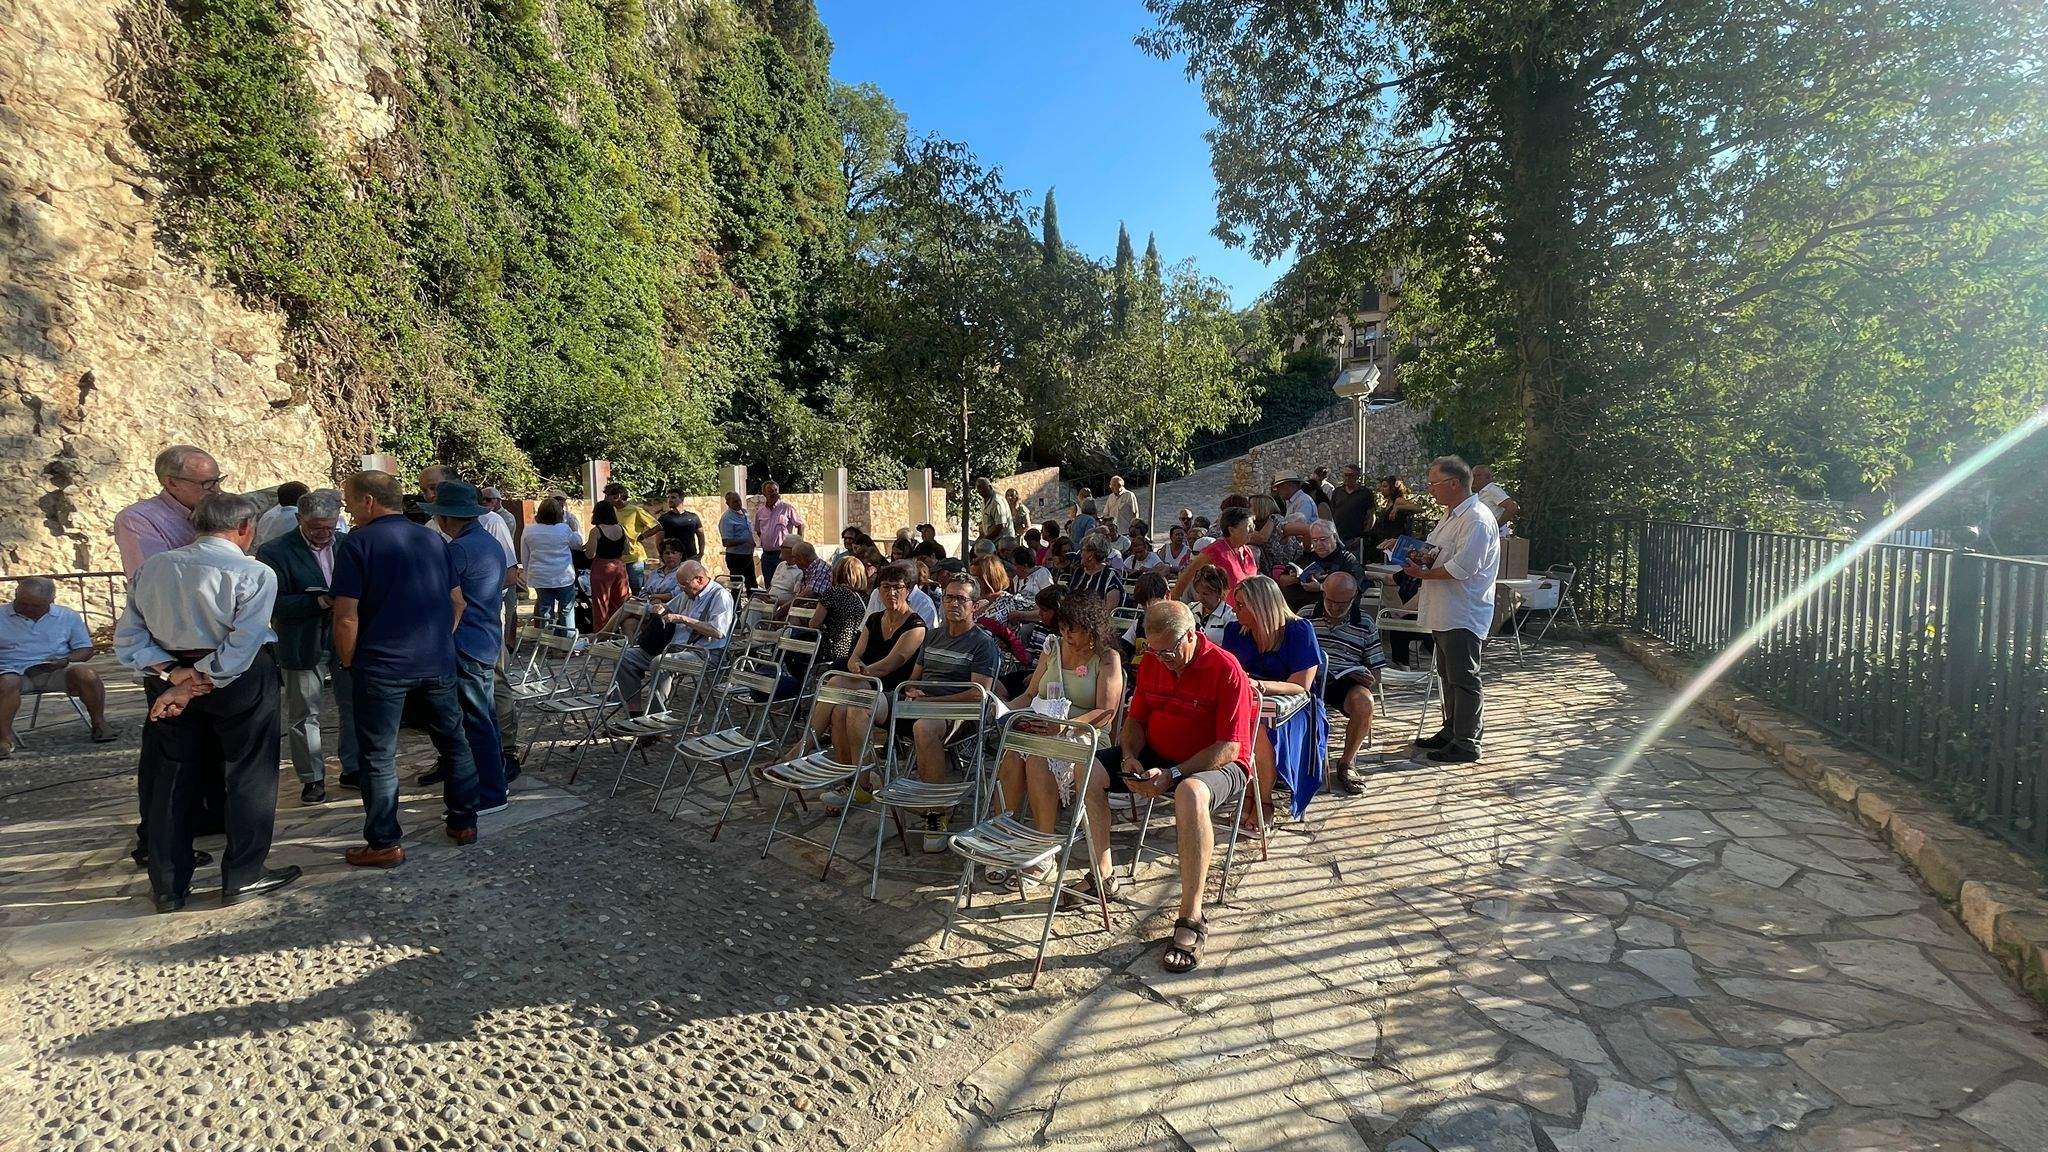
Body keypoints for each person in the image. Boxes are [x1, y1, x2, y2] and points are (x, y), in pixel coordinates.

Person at [114, 492, 299, 912]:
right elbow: (244, 640)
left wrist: (174, 677)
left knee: (170, 778)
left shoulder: (153, 569)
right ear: (245, 527)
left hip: (170, 674)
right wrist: (198, 678)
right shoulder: (253, 572)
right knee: (248, 771)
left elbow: (129, 639)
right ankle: (244, 875)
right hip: (234, 679)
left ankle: (167, 884)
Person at [1079, 601, 1255, 973]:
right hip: (1160, 755)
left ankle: (1191, 917)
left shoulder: (1226, 669)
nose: (1162, 659)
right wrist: (1129, 755)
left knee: (1190, 793)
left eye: (1170, 651)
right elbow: (1136, 720)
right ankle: (1103, 874)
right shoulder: (1155, 663)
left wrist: (1174, 775)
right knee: (1088, 769)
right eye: (1154, 652)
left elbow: (1231, 747)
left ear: (1192, 634)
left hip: (1216, 762)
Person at [331, 470, 481, 867]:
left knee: (379, 754)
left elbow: (345, 616)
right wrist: (438, 640)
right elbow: (458, 602)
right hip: (436, 660)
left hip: (381, 664)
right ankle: (464, 821)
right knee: (454, 740)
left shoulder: (356, 544)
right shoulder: (433, 538)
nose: (346, 506)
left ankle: (383, 842)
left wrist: (348, 661)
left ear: (367, 501)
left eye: (349, 498)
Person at [992, 590, 1124, 870]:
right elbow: (1029, 695)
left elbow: (1105, 712)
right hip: (1042, 726)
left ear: (1091, 629)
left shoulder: (1106, 658)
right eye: (1062, 628)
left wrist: (1063, 728)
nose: (1066, 635)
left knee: (1039, 760)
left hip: (1085, 734)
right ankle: (1004, 835)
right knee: (1013, 755)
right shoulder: (1052, 647)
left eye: (1072, 630)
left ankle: (1044, 846)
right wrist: (1003, 711)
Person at [1389, 456, 1499, 764]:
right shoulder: (1452, 515)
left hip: (1464, 611)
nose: (1430, 489)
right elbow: (1436, 552)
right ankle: (1452, 730)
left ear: (1454, 484)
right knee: (1448, 676)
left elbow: (1462, 568)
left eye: (1434, 483)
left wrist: (1422, 575)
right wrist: (1405, 550)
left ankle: (1466, 742)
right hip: (1446, 611)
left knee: (1464, 677)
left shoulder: (1476, 519)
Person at [257, 489, 357, 802]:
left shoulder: (346, 544)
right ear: (299, 519)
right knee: (304, 713)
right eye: (316, 528)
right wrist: (317, 600)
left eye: (329, 526)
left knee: (353, 706)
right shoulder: (275, 551)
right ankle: (312, 777)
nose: (324, 534)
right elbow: (271, 603)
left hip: (345, 637)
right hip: (301, 641)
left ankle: (353, 768)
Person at [422, 481, 512, 814]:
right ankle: (494, 783)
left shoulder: (458, 549)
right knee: (484, 717)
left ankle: (489, 793)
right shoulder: (488, 542)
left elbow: (447, 600)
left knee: (476, 721)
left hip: (466, 642)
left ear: (445, 518)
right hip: (486, 638)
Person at [900, 573, 1005, 851]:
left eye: (961, 598)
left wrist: (930, 703)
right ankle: (858, 782)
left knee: (924, 727)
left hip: (961, 714)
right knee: (859, 703)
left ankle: (936, 814)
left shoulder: (983, 643)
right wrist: (913, 691)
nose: (953, 603)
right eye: (948, 597)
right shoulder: (932, 637)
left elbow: (977, 693)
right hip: (923, 705)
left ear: (975, 605)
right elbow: (915, 679)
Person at [1221, 576, 1329, 821]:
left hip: (1297, 708)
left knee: (1258, 723)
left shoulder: (1299, 630)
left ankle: (1262, 800)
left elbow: (1301, 686)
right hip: (1250, 701)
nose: (1235, 610)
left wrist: (1258, 684)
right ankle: (1247, 795)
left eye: (1241, 605)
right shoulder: (1235, 631)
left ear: (1261, 606)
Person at [808, 565, 926, 776]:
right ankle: (851, 777)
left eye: (897, 587)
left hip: (890, 688)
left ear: (908, 590)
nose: (891, 593)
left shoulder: (916, 625)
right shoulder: (874, 619)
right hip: (865, 681)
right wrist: (854, 665)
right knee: (839, 711)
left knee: (835, 682)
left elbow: (890, 664)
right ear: (878, 590)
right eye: (886, 587)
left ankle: (805, 745)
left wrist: (860, 673)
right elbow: (856, 654)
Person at [0, 577, 114, 756]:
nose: (28, 609)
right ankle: (4, 738)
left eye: (36, 606)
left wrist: (67, 659)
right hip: (12, 671)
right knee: (7, 682)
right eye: (22, 603)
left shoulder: (66, 616)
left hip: (55, 669)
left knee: (87, 674)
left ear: (51, 601)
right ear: (15, 595)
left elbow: (85, 649)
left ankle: (99, 723)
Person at [613, 561, 734, 711]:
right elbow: (669, 607)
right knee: (625, 656)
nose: (681, 589)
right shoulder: (687, 594)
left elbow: (718, 631)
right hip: (674, 648)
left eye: (684, 584)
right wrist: (659, 608)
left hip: (704, 654)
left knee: (661, 663)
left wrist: (684, 619)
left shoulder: (720, 596)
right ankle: (633, 711)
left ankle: (654, 720)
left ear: (699, 579)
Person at [1305, 571, 1386, 794]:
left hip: (1345, 679)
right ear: (1323, 593)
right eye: (1330, 600)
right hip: (1310, 678)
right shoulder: (1306, 615)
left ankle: (1347, 762)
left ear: (1353, 599)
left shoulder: (1365, 622)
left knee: (1365, 701)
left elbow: (1376, 671)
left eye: (1342, 603)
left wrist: (1368, 677)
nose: (1335, 607)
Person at [114, 445, 221, 577]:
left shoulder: (222, 509)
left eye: (218, 480)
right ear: (172, 483)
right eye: (207, 483)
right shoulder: (137, 519)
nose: (216, 489)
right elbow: (154, 577)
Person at [1170, 506, 1259, 604]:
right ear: (1232, 530)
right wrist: (1176, 607)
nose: (1252, 531)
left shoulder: (1247, 551)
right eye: (1249, 527)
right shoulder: (1215, 551)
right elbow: (1185, 578)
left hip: (1249, 612)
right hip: (1225, 615)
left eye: (1253, 527)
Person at [521, 498, 580, 635]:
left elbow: (525, 556)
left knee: (545, 610)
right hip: (563, 576)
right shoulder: (564, 529)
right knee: (566, 610)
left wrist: (527, 572)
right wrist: (576, 531)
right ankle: (567, 642)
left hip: (540, 577)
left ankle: (547, 642)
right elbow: (577, 544)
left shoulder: (529, 530)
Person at [1280, 520, 1366, 610]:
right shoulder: (1308, 557)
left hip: (1332, 611)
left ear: (1334, 537)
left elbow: (1353, 586)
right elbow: (1283, 579)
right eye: (1315, 540)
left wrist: (1322, 587)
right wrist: (1294, 578)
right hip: (1299, 610)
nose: (1319, 544)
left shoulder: (1347, 559)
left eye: (1323, 539)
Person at [595, 482, 657, 594]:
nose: (605, 499)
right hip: (617, 559)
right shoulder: (611, 511)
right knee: (618, 591)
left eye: (607, 496)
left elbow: (657, 526)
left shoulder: (635, 510)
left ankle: (638, 610)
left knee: (637, 589)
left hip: (634, 557)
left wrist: (642, 536)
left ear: (617, 496)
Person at [584, 501, 631, 630]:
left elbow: (590, 554)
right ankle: (621, 630)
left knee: (601, 603)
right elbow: (627, 550)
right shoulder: (621, 528)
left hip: (602, 567)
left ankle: (601, 634)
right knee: (621, 602)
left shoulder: (596, 531)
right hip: (619, 567)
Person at [752, 481, 804, 588]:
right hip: (767, 555)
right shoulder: (760, 512)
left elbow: (800, 525)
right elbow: (758, 531)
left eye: (776, 491)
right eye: (771, 491)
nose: (774, 493)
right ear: (764, 494)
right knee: (769, 584)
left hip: (783, 554)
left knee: (784, 585)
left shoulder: (787, 508)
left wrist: (799, 543)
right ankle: (771, 604)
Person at [1328, 465, 1377, 561]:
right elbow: (1331, 513)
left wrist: (1363, 536)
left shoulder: (1365, 493)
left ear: (1357, 476)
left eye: (1351, 475)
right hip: (1338, 537)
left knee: (1354, 566)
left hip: (1355, 538)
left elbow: (1371, 515)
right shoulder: (1337, 492)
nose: (1347, 478)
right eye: (1345, 475)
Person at [652, 490, 706, 563]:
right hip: (673, 559)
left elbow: (701, 535)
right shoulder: (664, 519)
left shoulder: (693, 517)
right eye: (668, 497)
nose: (670, 500)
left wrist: (701, 553)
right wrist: (663, 556)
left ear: (681, 499)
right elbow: (659, 540)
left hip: (691, 557)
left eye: (673, 497)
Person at [718, 491, 757, 589]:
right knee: (737, 586)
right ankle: (736, 604)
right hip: (736, 557)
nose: (738, 503)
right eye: (735, 502)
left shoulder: (744, 513)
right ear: (728, 503)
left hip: (747, 554)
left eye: (739, 500)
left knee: (752, 584)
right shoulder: (727, 518)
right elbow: (726, 542)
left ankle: (752, 603)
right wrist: (744, 540)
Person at [1189, 565, 1237, 643]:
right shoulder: (1190, 609)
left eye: (1205, 594)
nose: (1200, 598)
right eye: (1198, 592)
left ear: (1218, 592)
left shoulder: (1230, 617)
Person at [1472, 466, 1520, 533]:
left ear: (1488, 477)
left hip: (1495, 534)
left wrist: (1497, 526)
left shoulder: (1492, 490)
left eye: (1477, 475)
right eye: (1472, 476)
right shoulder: (1481, 492)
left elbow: (1512, 507)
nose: (1474, 479)